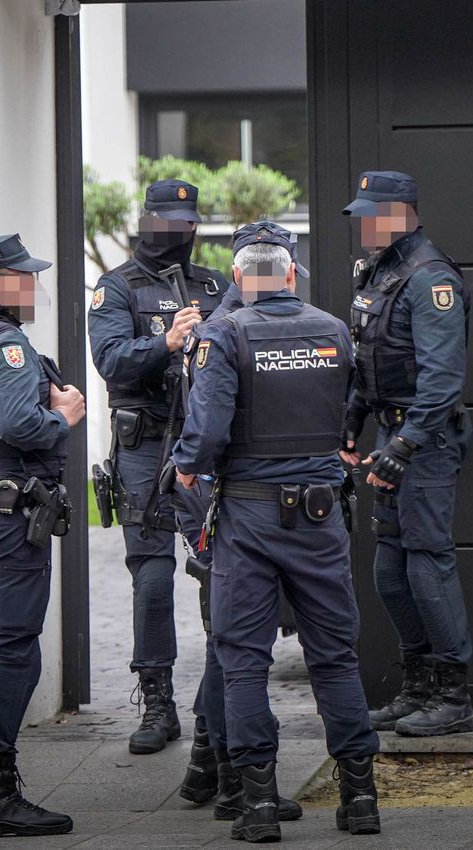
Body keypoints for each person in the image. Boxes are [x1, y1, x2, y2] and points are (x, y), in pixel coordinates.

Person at [170, 223, 382, 842]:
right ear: (290, 275)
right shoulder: (334, 330)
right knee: (335, 657)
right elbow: (351, 405)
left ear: (239, 279)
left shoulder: (225, 332)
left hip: (250, 516)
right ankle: (361, 798)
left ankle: (259, 804)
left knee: (243, 660)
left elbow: (206, 430)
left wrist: (185, 466)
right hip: (319, 516)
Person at [0, 234, 86, 838]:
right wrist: (66, 416)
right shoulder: (3, 342)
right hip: (7, 520)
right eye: (24, 276)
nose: (34, 287)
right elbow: (19, 424)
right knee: (12, 644)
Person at [88, 179, 227, 755]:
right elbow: (110, 361)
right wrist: (167, 343)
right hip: (144, 443)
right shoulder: (117, 286)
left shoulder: (214, 285)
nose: (179, 231)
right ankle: (158, 701)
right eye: (169, 220)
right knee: (150, 572)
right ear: (148, 220)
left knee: (218, 565)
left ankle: (218, 700)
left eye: (188, 222)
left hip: (202, 443)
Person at [173, 223, 303, 826]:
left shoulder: (221, 324)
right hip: (233, 498)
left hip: (227, 495)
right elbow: (209, 428)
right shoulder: (226, 332)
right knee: (236, 646)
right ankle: (231, 779)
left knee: (230, 642)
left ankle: (210, 765)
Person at [339, 171, 473, 738]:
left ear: (401, 213)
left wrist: (404, 444)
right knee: (389, 567)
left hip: (425, 440)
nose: (364, 224)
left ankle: (452, 694)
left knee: (426, 561)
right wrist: (352, 417)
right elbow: (369, 356)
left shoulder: (429, 277)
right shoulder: (382, 269)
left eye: (373, 213)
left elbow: (443, 379)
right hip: (390, 437)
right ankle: (417, 684)